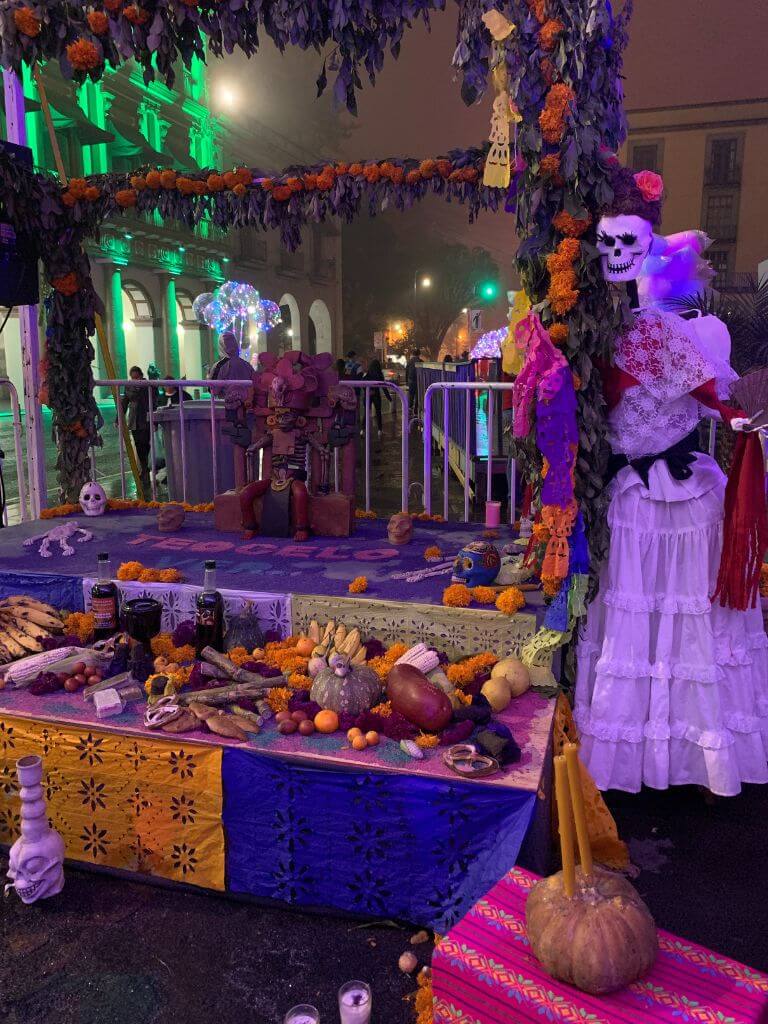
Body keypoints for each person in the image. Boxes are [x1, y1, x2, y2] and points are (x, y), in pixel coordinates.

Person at [575, 163, 768, 797]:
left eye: (629, 244)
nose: (618, 257)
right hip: (640, 500)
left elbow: (717, 398)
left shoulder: (672, 335)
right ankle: (664, 758)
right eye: (608, 243)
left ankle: (685, 758)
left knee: (678, 622)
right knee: (653, 618)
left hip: (673, 501)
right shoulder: (601, 336)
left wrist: (739, 421)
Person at [121, 366, 153, 489]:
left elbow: (153, 401)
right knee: (139, 446)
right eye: (133, 378)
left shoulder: (147, 385)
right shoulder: (128, 386)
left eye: (137, 377)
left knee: (147, 444)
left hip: (145, 418)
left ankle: (146, 468)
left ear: (141, 375)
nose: (135, 379)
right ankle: (144, 469)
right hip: (134, 420)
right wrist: (119, 418)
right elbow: (124, 402)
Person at [364, 357, 393, 437]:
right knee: (378, 413)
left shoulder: (368, 373)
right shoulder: (379, 374)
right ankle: (379, 430)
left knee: (366, 413)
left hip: (368, 395)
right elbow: (384, 387)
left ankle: (362, 430)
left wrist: (368, 390)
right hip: (376, 395)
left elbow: (363, 382)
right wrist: (389, 398)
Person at [405, 348, 422, 415]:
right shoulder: (420, 361)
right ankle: (416, 410)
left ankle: (409, 409)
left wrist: (407, 381)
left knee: (411, 396)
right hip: (418, 381)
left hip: (411, 381)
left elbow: (407, 371)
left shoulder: (409, 361)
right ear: (419, 354)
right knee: (417, 396)